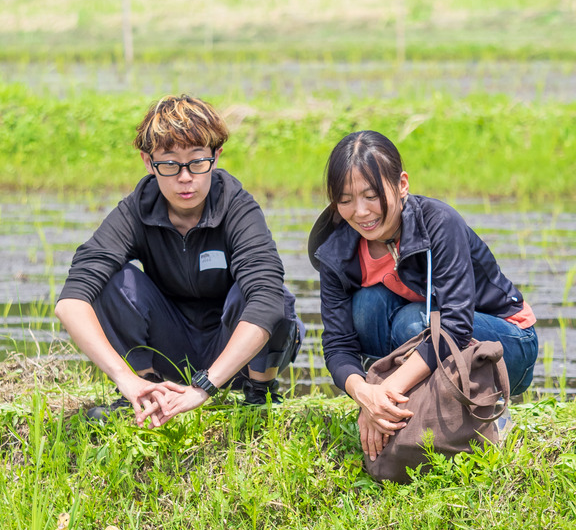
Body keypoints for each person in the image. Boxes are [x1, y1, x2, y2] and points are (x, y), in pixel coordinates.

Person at [55, 94, 303, 428]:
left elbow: (268, 299)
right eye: (170, 164)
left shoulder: (238, 208)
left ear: (216, 157)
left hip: (234, 353)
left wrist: (204, 387)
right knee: (111, 280)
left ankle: (260, 393)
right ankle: (147, 391)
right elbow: (70, 301)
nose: (185, 177)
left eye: (197, 162)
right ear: (148, 162)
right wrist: (124, 378)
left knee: (270, 296)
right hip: (169, 346)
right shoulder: (134, 212)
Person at [308, 130, 538, 462]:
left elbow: (456, 327)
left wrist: (387, 389)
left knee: (411, 323)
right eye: (345, 200)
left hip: (508, 342)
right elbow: (338, 345)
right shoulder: (335, 251)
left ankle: (490, 402)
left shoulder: (438, 223)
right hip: (427, 340)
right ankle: (402, 407)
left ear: (402, 184)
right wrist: (367, 395)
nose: (360, 212)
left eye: (371, 195)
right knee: (367, 306)